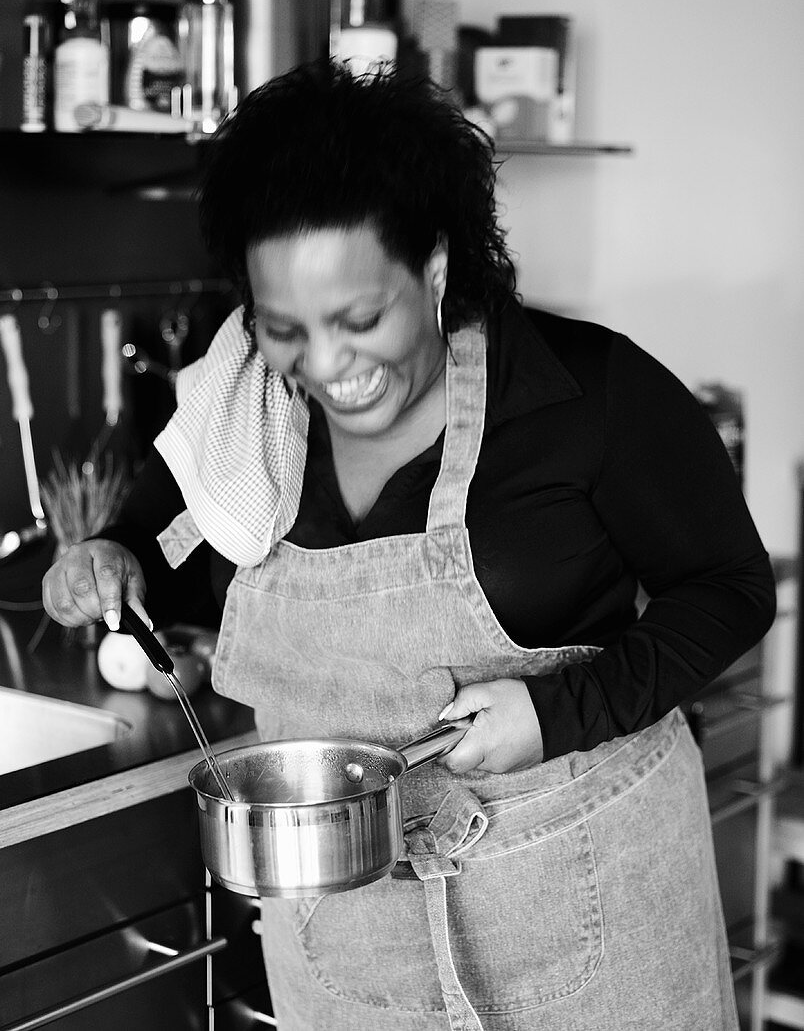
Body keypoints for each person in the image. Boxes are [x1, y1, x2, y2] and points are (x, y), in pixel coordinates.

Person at [43, 60, 776, 1031]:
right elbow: (151, 536)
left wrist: (559, 711)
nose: (328, 365)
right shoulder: (243, 419)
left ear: (432, 268)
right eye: (285, 328)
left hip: (593, 919)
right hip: (351, 940)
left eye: (360, 318)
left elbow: (729, 586)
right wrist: (102, 559)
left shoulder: (586, 393)